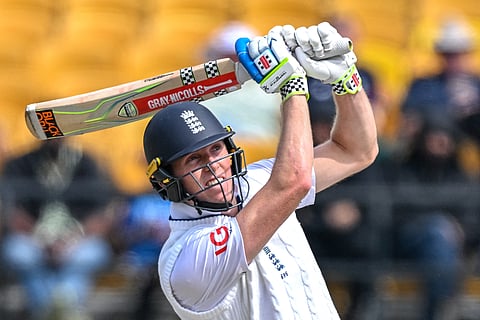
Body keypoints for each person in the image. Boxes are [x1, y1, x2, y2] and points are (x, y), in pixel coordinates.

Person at [142, 22, 378, 319]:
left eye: (216, 150)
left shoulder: (255, 182)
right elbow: (295, 182)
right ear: (167, 181)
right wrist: (291, 88)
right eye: (194, 160)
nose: (213, 166)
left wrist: (345, 77)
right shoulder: (186, 258)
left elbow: (356, 150)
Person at [1, 139, 117, 320]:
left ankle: (53, 309)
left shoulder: (87, 163)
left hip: (78, 241)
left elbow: (102, 215)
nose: (54, 137)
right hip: (32, 239)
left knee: (90, 254)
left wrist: (70, 241)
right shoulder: (20, 163)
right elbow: (11, 213)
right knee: (20, 253)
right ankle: (62, 310)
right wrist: (42, 239)